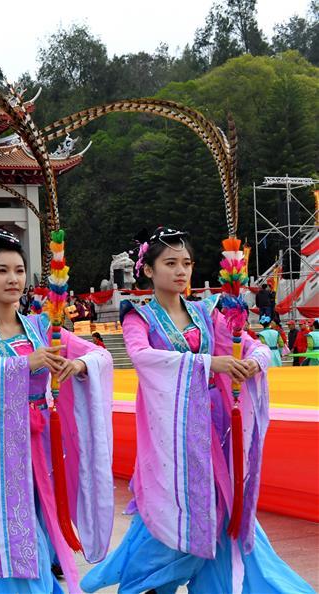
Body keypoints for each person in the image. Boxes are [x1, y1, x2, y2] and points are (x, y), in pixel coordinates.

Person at [81, 227, 312, 594]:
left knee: (221, 502)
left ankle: (217, 581)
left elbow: (247, 344)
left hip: (215, 423)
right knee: (169, 503)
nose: (180, 271)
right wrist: (209, 364)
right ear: (149, 270)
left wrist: (255, 360)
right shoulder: (137, 317)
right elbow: (142, 358)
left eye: (186, 263)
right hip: (170, 430)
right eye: (169, 263)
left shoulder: (207, 312)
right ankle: (157, 580)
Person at [0, 229, 114, 593]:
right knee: (19, 540)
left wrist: (78, 367)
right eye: (2, 270)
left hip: (41, 447)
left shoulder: (41, 327)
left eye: (19, 270)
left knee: (31, 532)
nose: (13, 279)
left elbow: (99, 354)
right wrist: (23, 365)